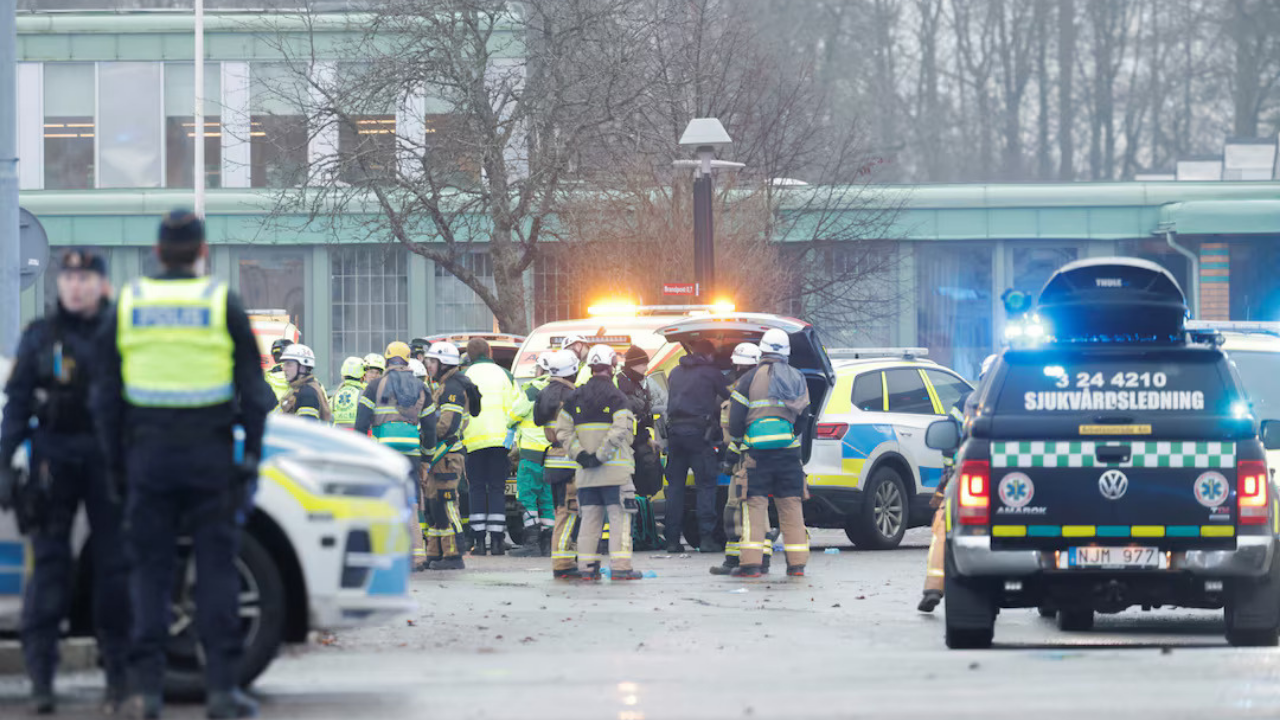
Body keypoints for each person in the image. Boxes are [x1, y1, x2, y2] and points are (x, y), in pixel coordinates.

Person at [94, 209, 274, 719]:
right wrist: (252, 458)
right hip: (209, 457)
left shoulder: (129, 303)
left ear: (156, 251)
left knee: (149, 573)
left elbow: (105, 397)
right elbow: (255, 392)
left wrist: (115, 466)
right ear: (202, 252)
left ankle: (147, 693)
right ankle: (220, 691)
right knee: (216, 570)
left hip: (147, 458)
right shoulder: (222, 303)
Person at [0, 250, 129, 715]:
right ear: (60, 285)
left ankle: (118, 680)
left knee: (115, 572)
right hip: (52, 458)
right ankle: (41, 683)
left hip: (107, 459)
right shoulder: (40, 336)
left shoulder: (121, 335)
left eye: (85, 277)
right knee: (50, 571)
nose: (76, 286)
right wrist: (2, 462)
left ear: (101, 283)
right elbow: (16, 405)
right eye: (69, 277)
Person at [726, 328, 810, 579]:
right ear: (787, 352)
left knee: (755, 507)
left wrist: (737, 444)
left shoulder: (749, 379)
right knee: (792, 509)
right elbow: (805, 416)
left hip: (757, 456)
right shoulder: (797, 377)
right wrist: (790, 436)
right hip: (788, 454)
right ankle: (797, 566)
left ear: (762, 350)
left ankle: (751, 566)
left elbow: (736, 418)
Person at [555, 345, 642, 581]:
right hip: (615, 474)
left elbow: (562, 431)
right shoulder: (618, 397)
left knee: (589, 521)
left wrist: (581, 455)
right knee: (620, 520)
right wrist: (601, 455)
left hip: (586, 474)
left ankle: (587, 569)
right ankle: (621, 567)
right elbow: (621, 431)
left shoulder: (574, 397)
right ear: (612, 366)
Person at [918, 353, 995, 613]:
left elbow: (949, 442)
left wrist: (949, 474)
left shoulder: (967, 402)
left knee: (943, 528)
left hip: (969, 481)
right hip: (1018, 486)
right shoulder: (1027, 399)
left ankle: (933, 587)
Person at [354, 341, 435, 570]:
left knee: (384, 499)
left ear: (387, 360)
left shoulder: (375, 386)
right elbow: (430, 428)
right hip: (411, 451)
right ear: (408, 359)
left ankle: (387, 553)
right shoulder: (422, 388)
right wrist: (426, 460)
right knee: (411, 501)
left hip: (384, 451)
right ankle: (417, 556)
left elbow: (360, 423)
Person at [710, 342, 774, 576]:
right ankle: (750, 558)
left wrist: (730, 454)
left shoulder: (744, 390)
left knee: (743, 508)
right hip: (756, 456)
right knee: (748, 508)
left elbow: (736, 427)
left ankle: (745, 559)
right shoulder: (762, 387)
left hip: (745, 457)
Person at [663, 338, 730, 553]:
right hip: (699, 435)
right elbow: (732, 397)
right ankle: (707, 538)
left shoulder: (675, 372)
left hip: (674, 434)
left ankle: (672, 540)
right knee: (706, 486)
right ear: (709, 355)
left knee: (675, 488)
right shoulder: (712, 372)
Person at [421, 341, 479, 570]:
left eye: (432, 361)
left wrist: (425, 431)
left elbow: (446, 425)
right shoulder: (444, 385)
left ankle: (454, 554)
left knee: (446, 504)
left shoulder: (452, 388)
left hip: (447, 456)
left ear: (444, 363)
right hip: (441, 456)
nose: (428, 366)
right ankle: (436, 552)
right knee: (434, 505)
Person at [462, 338, 516, 556]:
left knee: (475, 488)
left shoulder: (465, 376)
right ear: (490, 352)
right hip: (499, 441)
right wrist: (513, 441)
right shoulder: (504, 374)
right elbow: (515, 408)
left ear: (469, 355)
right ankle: (496, 541)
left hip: (473, 441)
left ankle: (478, 542)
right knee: (496, 489)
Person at [535, 350, 583, 579]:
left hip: (552, 461)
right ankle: (564, 562)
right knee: (569, 512)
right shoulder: (573, 395)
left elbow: (538, 420)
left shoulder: (543, 393)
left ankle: (567, 557)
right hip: (570, 460)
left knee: (559, 511)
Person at [508, 353, 555, 557]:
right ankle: (548, 543)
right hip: (553, 456)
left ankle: (532, 542)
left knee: (527, 498)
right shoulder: (560, 392)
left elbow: (513, 415)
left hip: (531, 456)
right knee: (547, 499)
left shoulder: (532, 391)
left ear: (541, 370)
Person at [275, 343, 331, 422]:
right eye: (284, 364)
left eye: (289, 364)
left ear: (302, 367)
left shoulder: (307, 394)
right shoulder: (297, 389)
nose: (284, 368)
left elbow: (307, 429)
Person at [329, 356, 367, 430]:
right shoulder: (363, 394)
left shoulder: (335, 396)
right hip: (358, 437)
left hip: (338, 437)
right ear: (362, 376)